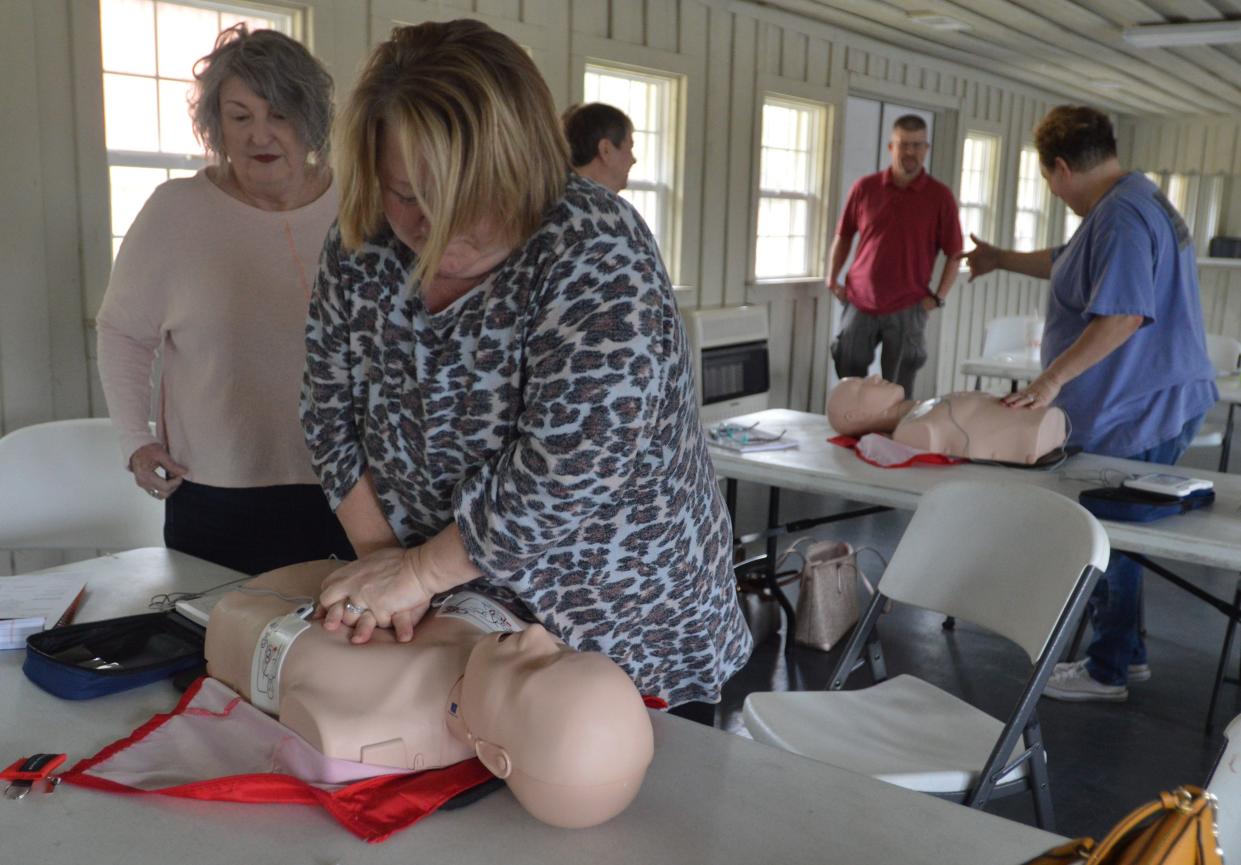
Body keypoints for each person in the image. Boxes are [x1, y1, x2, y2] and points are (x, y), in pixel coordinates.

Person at [300, 20, 751, 718]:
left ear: (522, 168)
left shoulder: (595, 246)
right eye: (407, 194)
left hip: (619, 622)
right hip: (456, 612)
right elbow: (328, 414)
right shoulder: (361, 242)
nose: (434, 227)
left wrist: (418, 573)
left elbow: (571, 467)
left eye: (463, 196)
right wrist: (386, 570)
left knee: (608, 804)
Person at [960, 105, 1218, 702]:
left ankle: (1106, 669)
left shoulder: (1121, 216)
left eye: (1050, 181)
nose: (1054, 192)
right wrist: (1000, 258)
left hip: (1138, 406)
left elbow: (1124, 314)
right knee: (1124, 532)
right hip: (1152, 397)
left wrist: (1049, 383)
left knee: (1114, 533)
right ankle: (1129, 655)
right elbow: (1065, 261)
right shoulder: (1129, 196)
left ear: (1058, 169)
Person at [95, 25, 353, 575]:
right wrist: (135, 440)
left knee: (338, 650)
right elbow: (123, 331)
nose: (260, 135)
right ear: (216, 126)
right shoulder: (175, 211)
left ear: (311, 120)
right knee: (214, 646)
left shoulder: (359, 208)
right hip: (216, 490)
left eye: (279, 114)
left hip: (350, 484)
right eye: (240, 117)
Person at [206, 562, 655, 828]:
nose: (536, 633)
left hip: (245, 612)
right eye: (561, 649)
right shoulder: (508, 633)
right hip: (347, 570)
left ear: (497, 759)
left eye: (532, 667)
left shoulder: (366, 726)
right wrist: (398, 565)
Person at [828, 114, 963, 397]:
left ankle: (891, 440)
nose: (910, 152)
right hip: (860, 300)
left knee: (898, 390)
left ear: (926, 149)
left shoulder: (940, 197)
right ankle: (851, 437)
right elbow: (843, 236)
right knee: (848, 376)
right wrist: (832, 279)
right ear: (891, 147)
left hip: (908, 306)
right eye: (904, 145)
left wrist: (939, 297)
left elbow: (954, 253)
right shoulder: (865, 188)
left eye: (917, 145)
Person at [826, 375, 1067, 464]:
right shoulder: (913, 430)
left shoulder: (919, 411)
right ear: (854, 416)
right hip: (1031, 436)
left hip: (1040, 422)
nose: (874, 377)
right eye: (861, 387)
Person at [562, 102, 637, 193]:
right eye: (630, 148)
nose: (633, 160)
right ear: (606, 150)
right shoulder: (614, 206)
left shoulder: (549, 198)